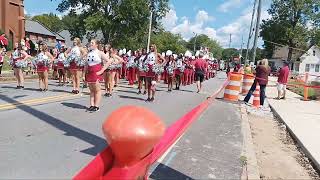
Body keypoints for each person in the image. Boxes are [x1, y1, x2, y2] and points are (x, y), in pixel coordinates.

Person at [85, 39, 112, 112]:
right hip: (89, 72)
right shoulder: (89, 53)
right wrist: (84, 73)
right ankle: (91, 105)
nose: (90, 44)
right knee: (91, 90)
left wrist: (102, 70)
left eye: (92, 43)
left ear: (96, 45)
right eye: (90, 43)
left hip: (96, 72)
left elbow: (109, 61)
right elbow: (86, 64)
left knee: (97, 90)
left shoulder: (100, 53)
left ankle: (96, 106)